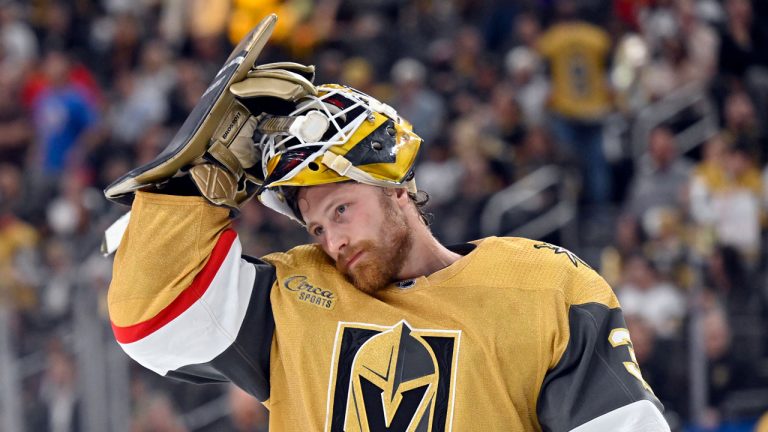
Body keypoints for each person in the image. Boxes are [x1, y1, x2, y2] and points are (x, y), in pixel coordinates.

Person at [105, 17, 669, 432]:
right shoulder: (293, 297)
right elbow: (149, 320)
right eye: (317, 229)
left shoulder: (545, 286)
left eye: (342, 209)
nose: (334, 240)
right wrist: (197, 185)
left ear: (395, 184)